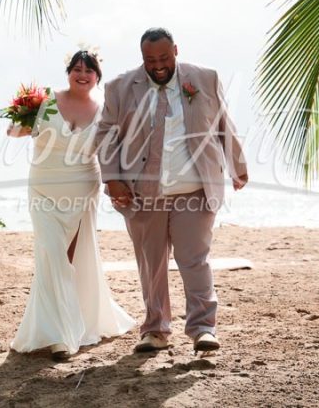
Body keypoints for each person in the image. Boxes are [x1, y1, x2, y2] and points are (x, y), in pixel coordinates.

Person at [95, 27, 248, 353]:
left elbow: (223, 123)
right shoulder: (120, 88)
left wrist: (237, 164)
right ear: (142, 58)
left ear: (175, 51)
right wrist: (112, 178)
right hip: (142, 192)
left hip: (194, 189)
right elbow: (106, 134)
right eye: (150, 60)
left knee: (194, 260)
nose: (158, 65)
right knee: (151, 263)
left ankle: (203, 328)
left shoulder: (204, 78)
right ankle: (155, 330)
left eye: (164, 58)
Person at [9, 50, 135, 361]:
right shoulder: (44, 101)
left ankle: (64, 330)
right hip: (43, 188)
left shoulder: (105, 110)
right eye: (76, 68)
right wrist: (21, 125)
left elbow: (111, 151)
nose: (82, 74)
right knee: (51, 253)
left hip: (82, 190)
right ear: (68, 72)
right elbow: (13, 131)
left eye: (88, 70)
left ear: (97, 76)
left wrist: (119, 184)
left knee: (69, 258)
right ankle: (60, 335)